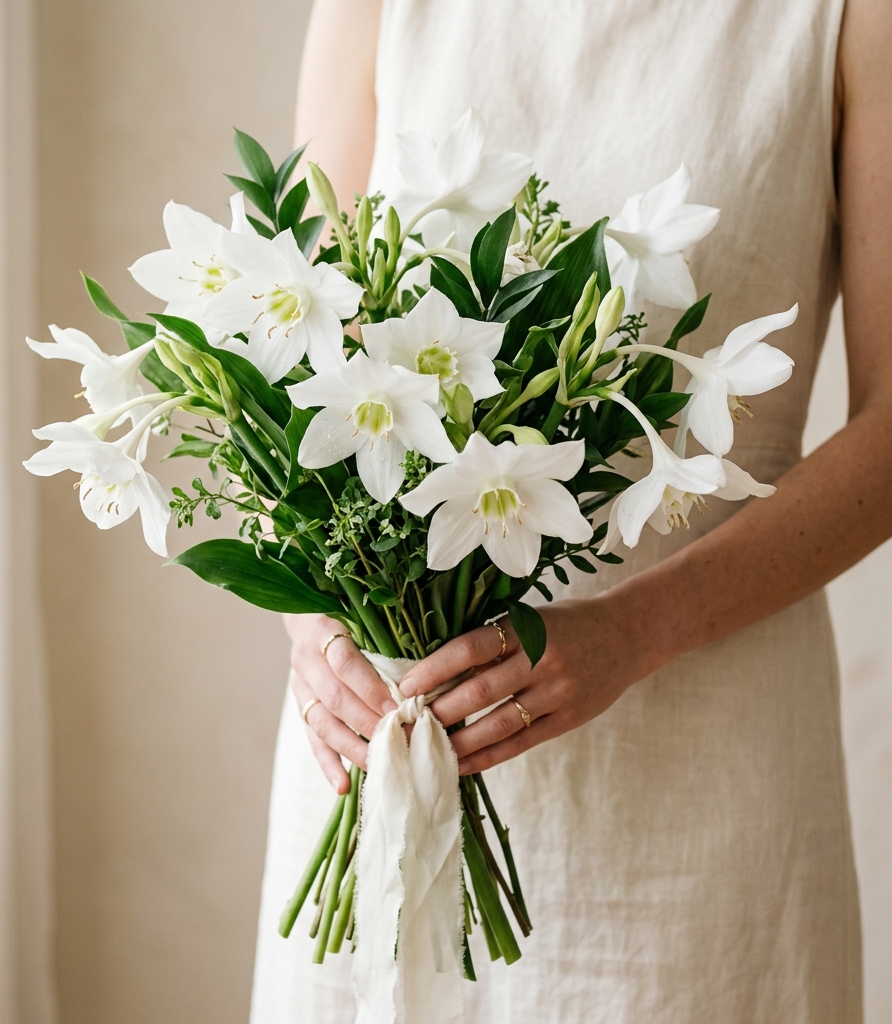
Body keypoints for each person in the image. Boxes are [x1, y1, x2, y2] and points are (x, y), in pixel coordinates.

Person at [251, 1, 892, 1020]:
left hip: (704, 778)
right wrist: (314, 629)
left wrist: (638, 628)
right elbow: (290, 349)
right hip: (387, 748)